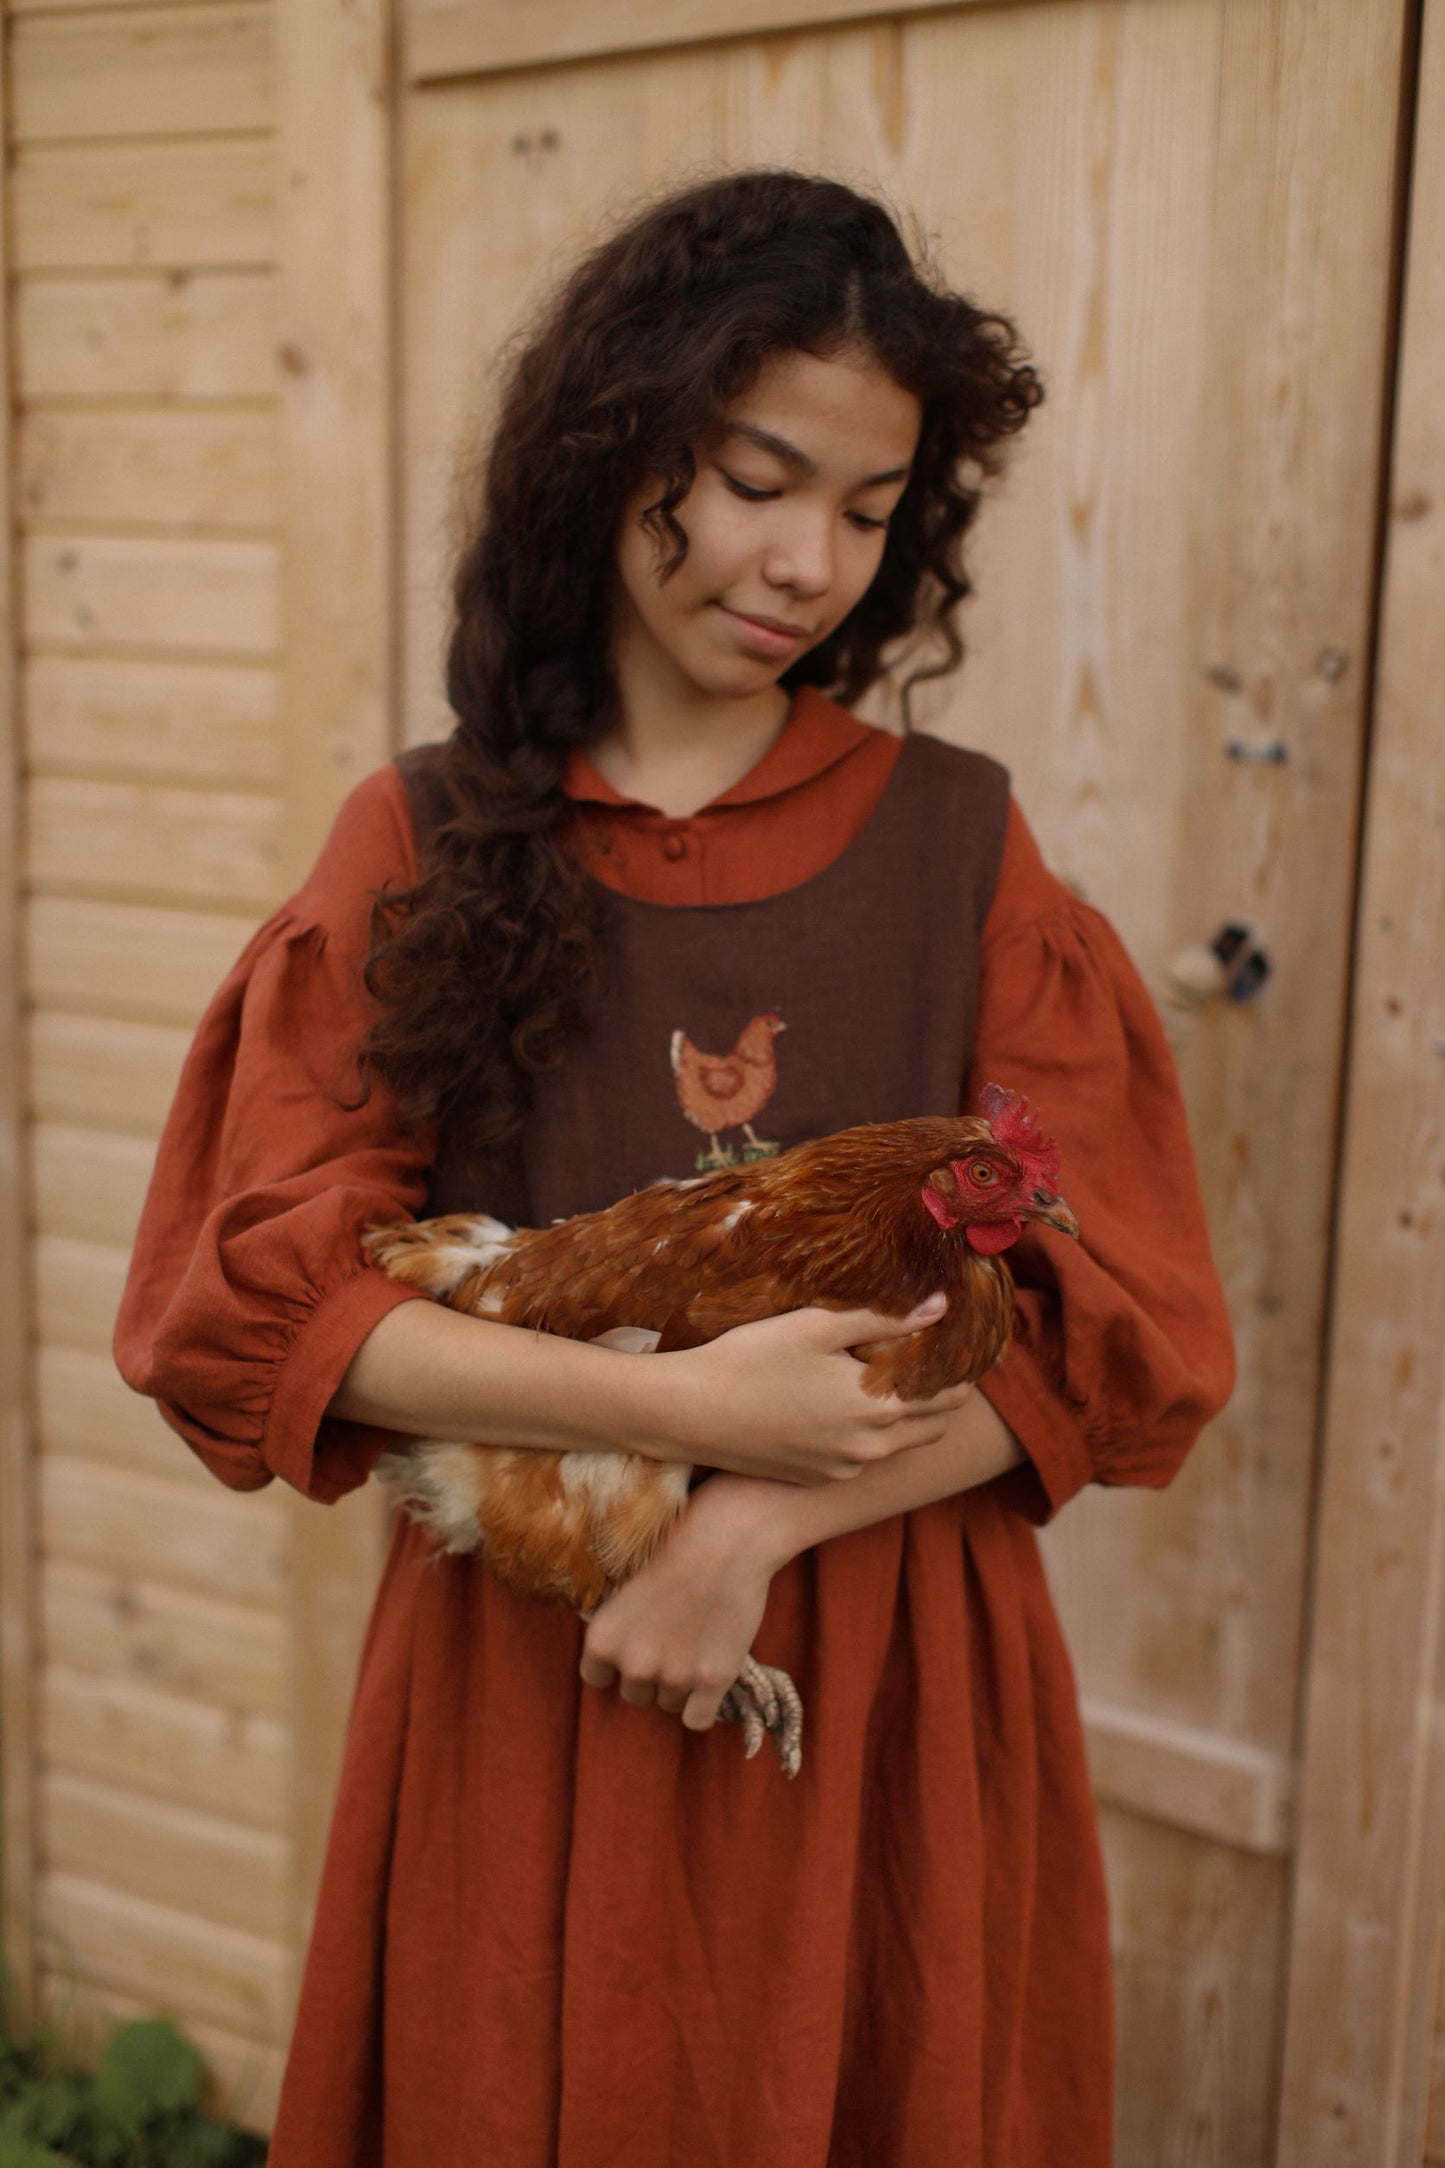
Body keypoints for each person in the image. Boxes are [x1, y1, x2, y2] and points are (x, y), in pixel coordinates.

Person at [115, 169, 1235, 2166]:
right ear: (619, 446)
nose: (808, 559)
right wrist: (661, 1412)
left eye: (872, 512)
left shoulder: (961, 848)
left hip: (889, 1681)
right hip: (526, 1680)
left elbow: (1123, 1319)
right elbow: (258, 1300)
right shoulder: (427, 838)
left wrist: (745, 1530)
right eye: (756, 478)